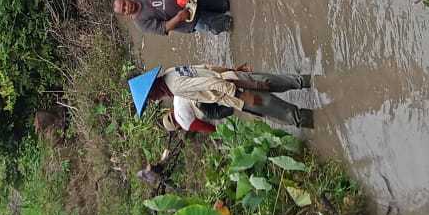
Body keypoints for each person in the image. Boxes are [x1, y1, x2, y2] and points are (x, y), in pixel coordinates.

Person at [128, 64, 314, 129]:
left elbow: (210, 85)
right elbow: (206, 67)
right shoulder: (171, 72)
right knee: (293, 81)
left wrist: (242, 96)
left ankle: (325, 118)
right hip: (235, 78)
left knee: (290, 115)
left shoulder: (175, 87)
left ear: (151, 87)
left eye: (149, 97)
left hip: (237, 91)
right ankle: (324, 81)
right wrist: (232, 70)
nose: (152, 100)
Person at [114, 0, 233, 35]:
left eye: (124, 4)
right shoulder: (141, 23)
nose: (127, 7)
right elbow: (164, 28)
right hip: (190, 20)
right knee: (228, 23)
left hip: (190, 1)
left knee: (226, 3)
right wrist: (179, 17)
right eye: (123, 10)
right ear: (125, 14)